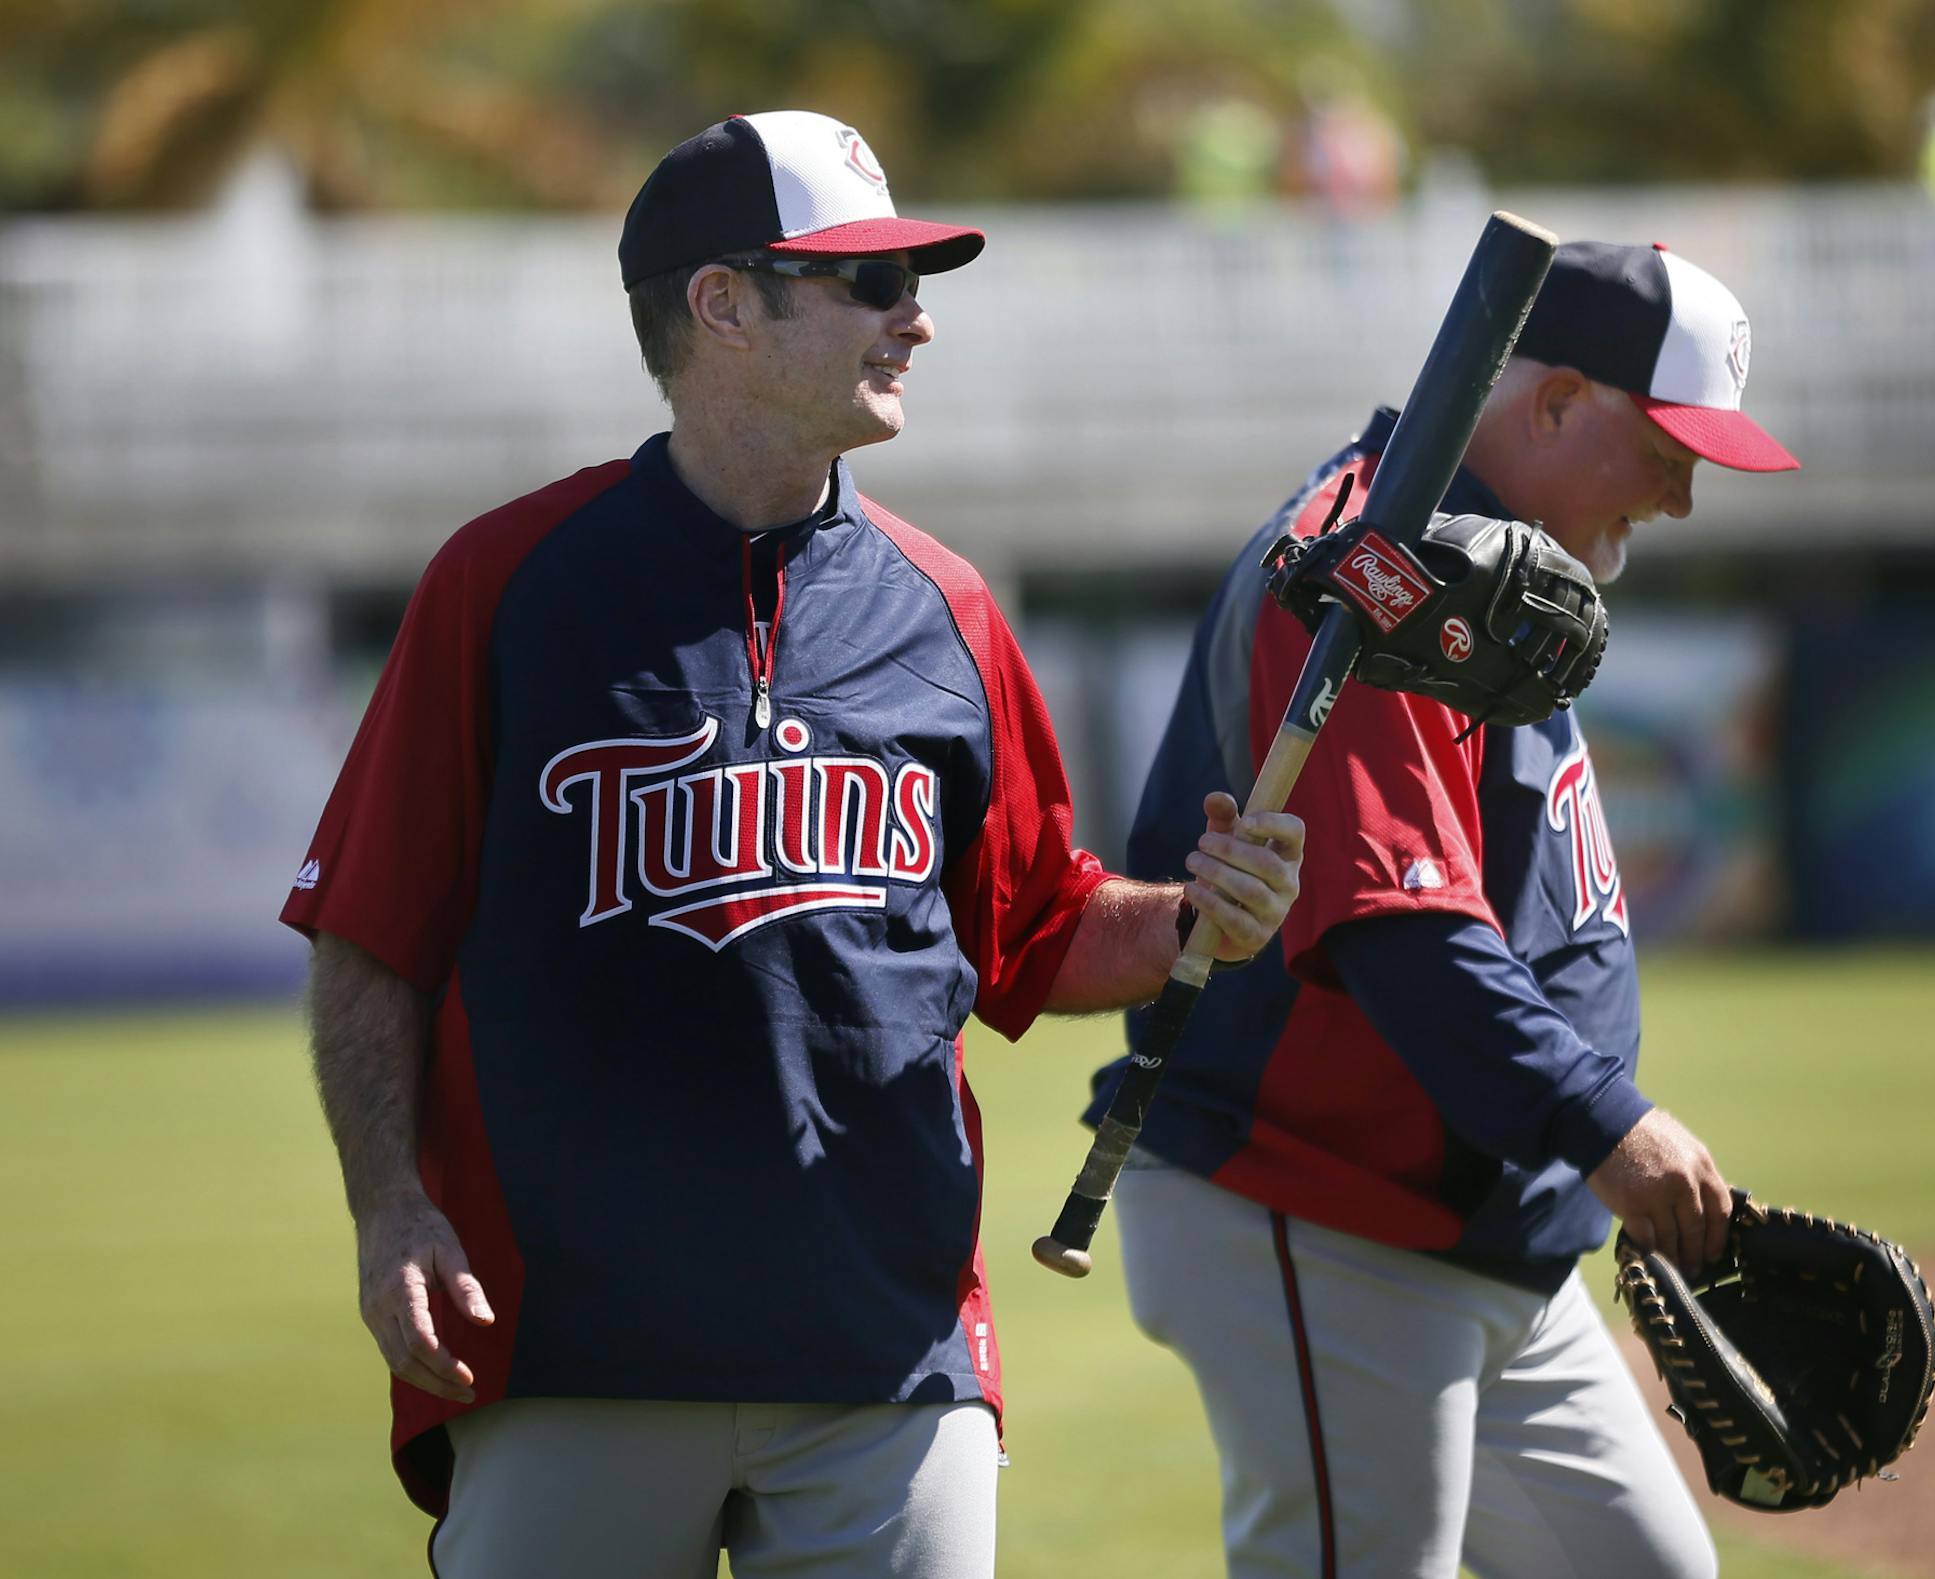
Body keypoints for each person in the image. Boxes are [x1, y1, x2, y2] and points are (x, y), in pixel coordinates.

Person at [282, 110, 1305, 1579]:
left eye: (912, 283)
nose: (916, 320)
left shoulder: (945, 606)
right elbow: (372, 930)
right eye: (867, 285)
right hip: (573, 1345)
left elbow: (1036, 931)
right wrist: (388, 1210)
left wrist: (1199, 919)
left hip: (885, 1351)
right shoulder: (505, 586)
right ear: (722, 306)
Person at [1089, 240, 1801, 1578]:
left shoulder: (1487, 575)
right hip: (1320, 1208)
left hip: (1475, 1235)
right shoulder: (1371, 580)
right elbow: (1399, 932)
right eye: (1668, 446)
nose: (1685, 497)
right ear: (1553, 404)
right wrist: (1610, 1128)